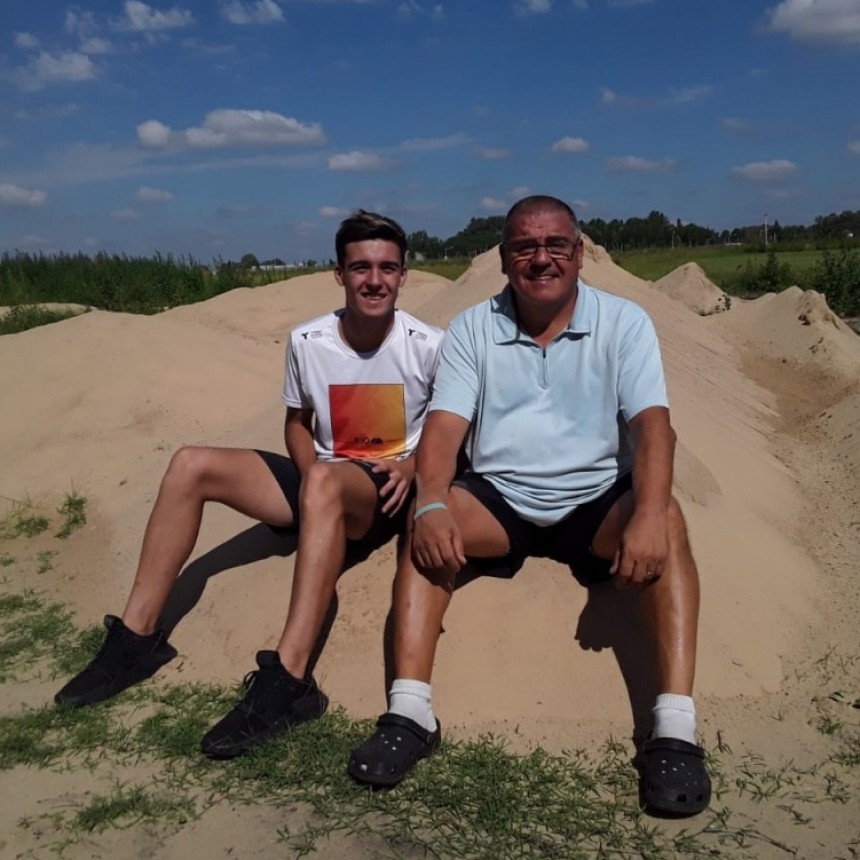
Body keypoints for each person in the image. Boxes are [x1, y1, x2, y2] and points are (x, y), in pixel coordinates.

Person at [347, 195, 711, 817]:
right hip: (501, 497)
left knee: (667, 518)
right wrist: (432, 501)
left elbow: (654, 429)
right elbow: (442, 431)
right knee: (426, 523)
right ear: (504, 257)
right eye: (524, 247)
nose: (540, 259)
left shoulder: (625, 323)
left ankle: (674, 729)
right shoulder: (472, 327)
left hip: (596, 499)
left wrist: (647, 514)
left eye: (555, 246)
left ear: (579, 252)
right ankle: (409, 713)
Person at [55, 210, 444, 759]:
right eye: (360, 267)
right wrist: (310, 477)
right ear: (339, 274)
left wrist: (410, 466)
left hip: (379, 493)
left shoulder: (430, 345)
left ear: (404, 275)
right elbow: (296, 423)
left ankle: (290, 680)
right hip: (323, 480)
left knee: (331, 483)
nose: (373, 280)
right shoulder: (308, 340)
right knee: (191, 463)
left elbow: (453, 430)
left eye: (387, 267)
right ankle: (137, 638)